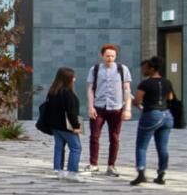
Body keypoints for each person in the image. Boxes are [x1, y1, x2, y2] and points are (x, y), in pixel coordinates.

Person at [86, 44, 132, 177]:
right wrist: (90, 106)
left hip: (116, 108)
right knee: (94, 136)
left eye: (112, 56)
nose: (110, 58)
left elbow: (127, 89)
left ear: (115, 56)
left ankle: (111, 165)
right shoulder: (94, 69)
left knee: (115, 138)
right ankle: (93, 164)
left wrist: (127, 108)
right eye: (107, 56)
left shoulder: (122, 69)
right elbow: (90, 89)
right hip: (99, 107)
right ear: (102, 56)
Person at [130, 55, 175, 186]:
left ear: (151, 68)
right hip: (167, 115)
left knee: (142, 146)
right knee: (162, 147)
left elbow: (137, 100)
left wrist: (137, 103)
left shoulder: (145, 83)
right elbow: (171, 97)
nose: (143, 71)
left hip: (151, 114)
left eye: (145, 68)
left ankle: (141, 173)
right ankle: (161, 175)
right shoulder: (167, 82)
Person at [46, 67, 86, 182]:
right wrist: (76, 127)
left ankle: (59, 171)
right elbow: (71, 112)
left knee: (59, 147)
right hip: (66, 126)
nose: (75, 79)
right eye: (73, 77)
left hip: (55, 126)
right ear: (68, 79)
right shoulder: (68, 93)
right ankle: (72, 172)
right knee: (76, 147)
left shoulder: (52, 91)